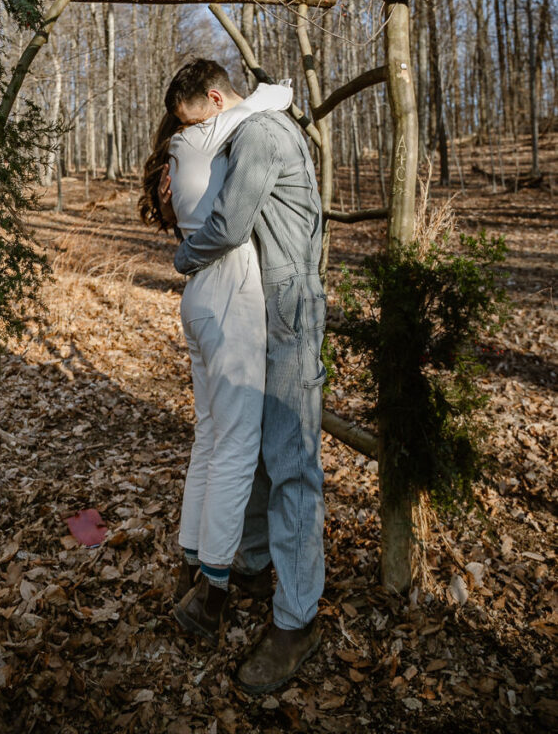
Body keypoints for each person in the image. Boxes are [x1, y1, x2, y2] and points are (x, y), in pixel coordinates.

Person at [166, 59, 327, 696]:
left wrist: (183, 256)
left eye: (196, 122)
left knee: (291, 464)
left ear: (216, 97)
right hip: (267, 306)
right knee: (257, 449)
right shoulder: (252, 125)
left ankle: (297, 621)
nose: (202, 135)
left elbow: (230, 224)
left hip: (289, 311)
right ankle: (258, 565)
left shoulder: (259, 133)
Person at [139, 59, 293, 648]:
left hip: (199, 297)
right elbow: (273, 98)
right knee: (235, 446)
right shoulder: (223, 124)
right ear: (217, 96)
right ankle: (212, 594)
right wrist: (256, 88)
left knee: (209, 437)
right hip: (226, 287)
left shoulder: (183, 141)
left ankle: (190, 561)